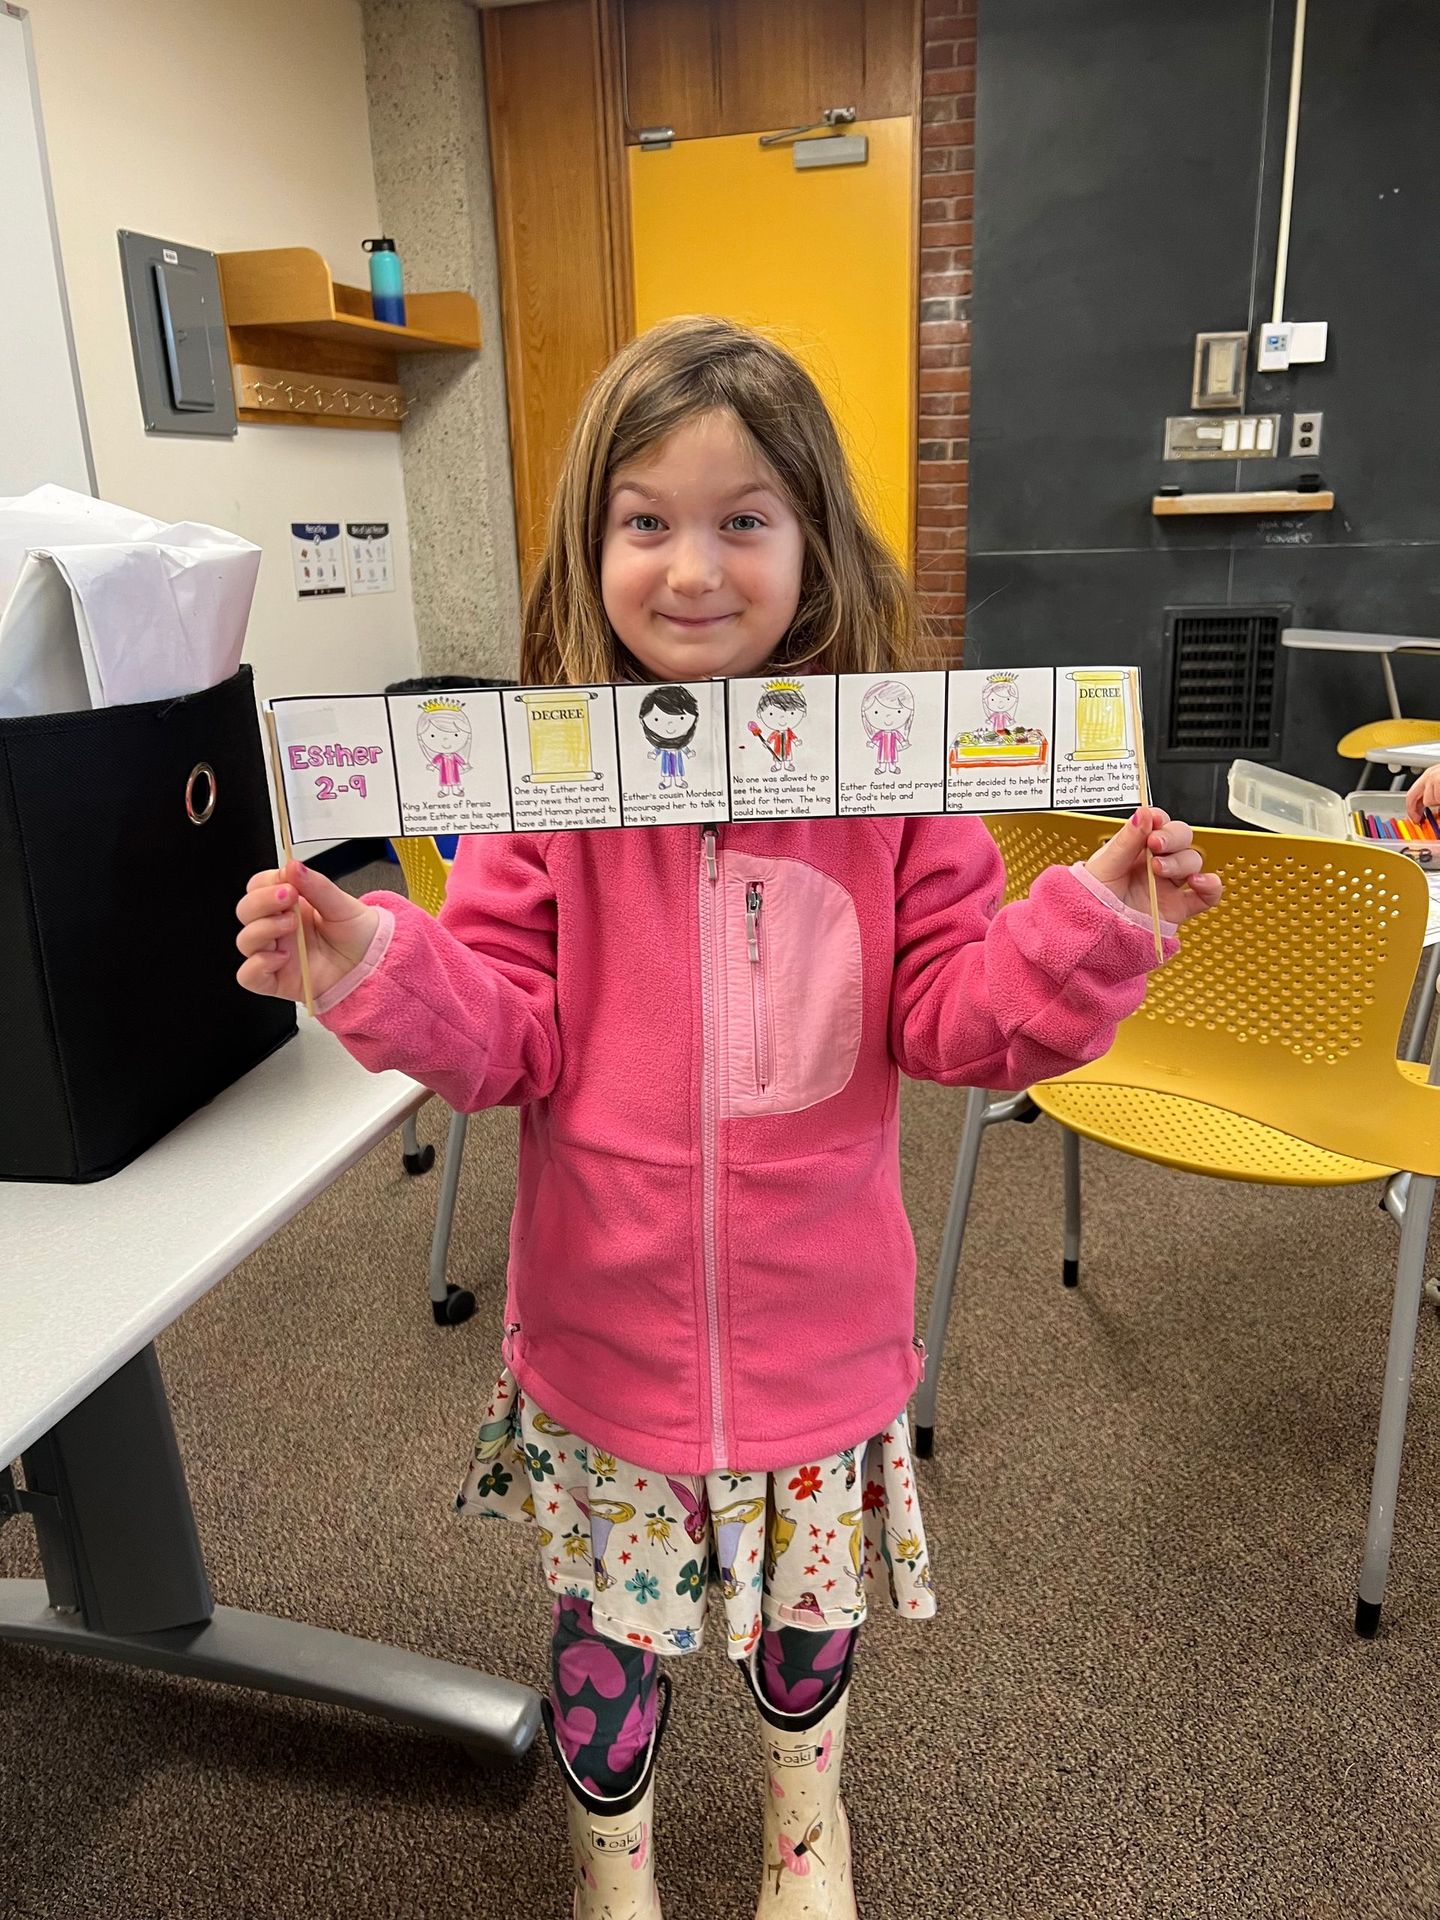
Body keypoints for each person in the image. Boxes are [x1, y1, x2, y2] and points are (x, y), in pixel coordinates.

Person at [234, 314, 1222, 1920]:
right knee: (603, 1638)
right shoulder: (546, 779)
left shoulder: (887, 774)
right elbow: (505, 1039)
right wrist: (372, 960)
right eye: (647, 521)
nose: (691, 568)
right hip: (607, 1336)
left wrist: (1088, 921)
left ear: (811, 541)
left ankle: (802, 1828)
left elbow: (954, 1022)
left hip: (822, 1336)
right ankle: (609, 1865)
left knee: (806, 1628)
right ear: (593, 541)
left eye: (741, 520)